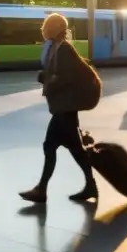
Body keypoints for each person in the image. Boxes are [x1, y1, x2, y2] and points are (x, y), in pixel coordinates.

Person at [20, 13, 98, 204]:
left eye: (46, 25)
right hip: (65, 107)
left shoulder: (64, 49)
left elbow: (65, 77)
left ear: (54, 29)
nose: (43, 28)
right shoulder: (56, 47)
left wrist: (46, 78)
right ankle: (89, 185)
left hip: (66, 107)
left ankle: (42, 190)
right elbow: (58, 74)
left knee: (51, 146)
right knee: (74, 149)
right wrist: (46, 76)